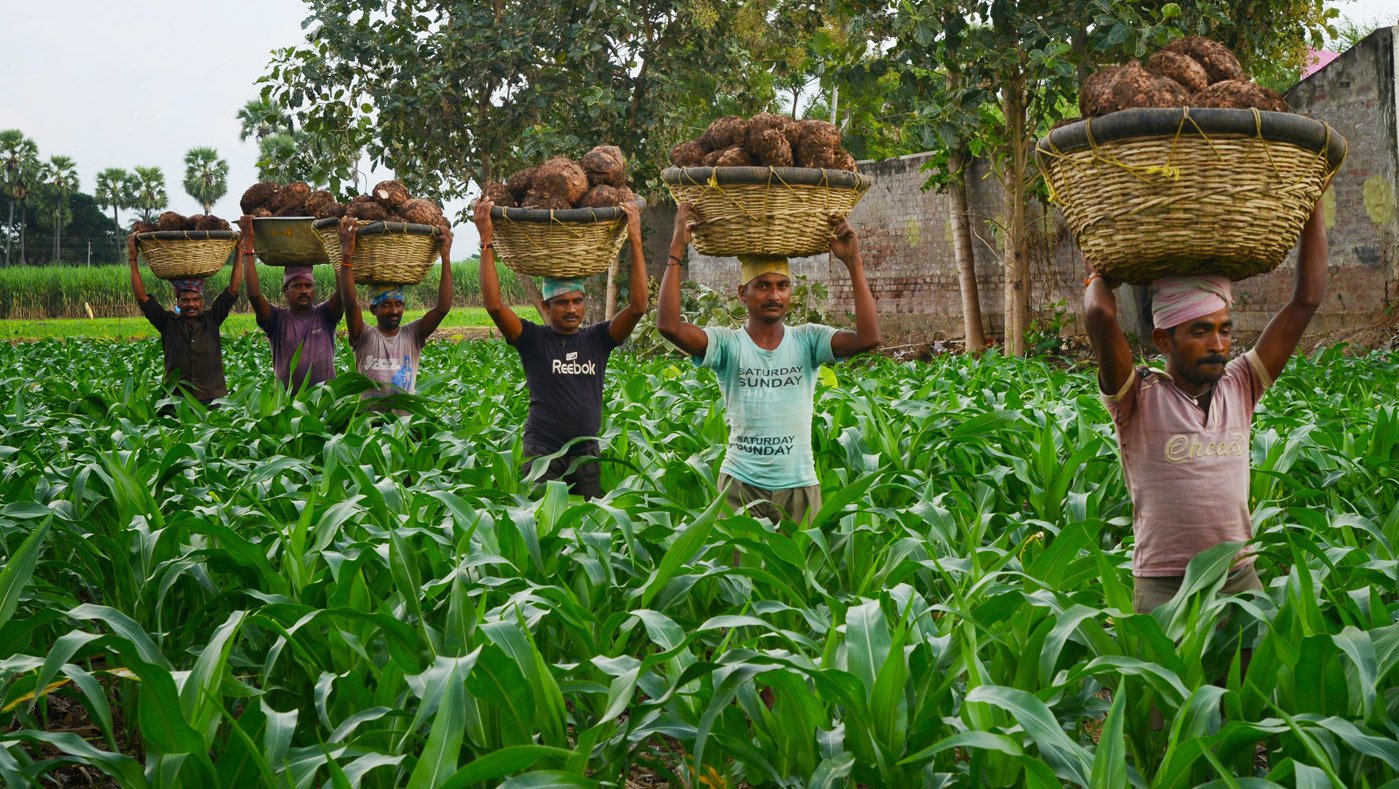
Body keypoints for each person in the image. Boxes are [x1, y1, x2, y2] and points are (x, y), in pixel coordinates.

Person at [1083, 202, 1328, 615]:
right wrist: (1099, 270)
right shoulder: (1137, 397)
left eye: (1224, 330)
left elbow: (1306, 300)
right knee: (1166, 681)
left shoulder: (1241, 384)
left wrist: (1313, 203)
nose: (1217, 344)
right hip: (1164, 584)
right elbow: (1100, 314)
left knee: (1252, 678)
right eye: (1200, 331)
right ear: (1164, 341)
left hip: (1239, 575)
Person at [656, 203, 881, 525]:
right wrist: (677, 246)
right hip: (738, 487)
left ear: (791, 292)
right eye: (762, 286)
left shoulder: (808, 341)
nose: (774, 295)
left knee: (797, 573)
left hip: (799, 484)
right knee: (736, 574)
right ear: (742, 294)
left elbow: (868, 338)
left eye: (782, 285)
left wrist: (853, 261)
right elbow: (669, 326)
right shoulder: (727, 345)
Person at [473, 197, 648, 499]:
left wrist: (634, 238)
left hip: (586, 451)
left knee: (590, 527)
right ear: (546, 306)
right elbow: (494, 305)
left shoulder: (598, 339)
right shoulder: (532, 340)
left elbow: (637, 307)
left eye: (577, 301)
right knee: (543, 528)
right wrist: (487, 240)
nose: (571, 309)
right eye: (562, 302)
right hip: (542, 453)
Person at [335, 216, 453, 405]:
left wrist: (445, 257)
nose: (394, 311)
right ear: (373, 309)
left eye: (398, 304)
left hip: (402, 427)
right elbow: (350, 304)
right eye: (386, 305)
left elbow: (443, 308)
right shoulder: (364, 336)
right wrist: (347, 255)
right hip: (370, 428)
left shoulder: (412, 335)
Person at [128, 233, 242, 405]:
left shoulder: (212, 319)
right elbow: (142, 298)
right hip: (176, 399)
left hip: (212, 398)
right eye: (186, 300)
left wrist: (240, 252)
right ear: (178, 302)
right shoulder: (167, 322)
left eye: (195, 300)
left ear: (202, 301)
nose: (191, 304)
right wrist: (133, 259)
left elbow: (232, 290)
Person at [239, 217, 343, 392]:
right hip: (288, 404)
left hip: (325, 402)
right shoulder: (276, 320)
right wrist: (248, 244)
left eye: (308, 286)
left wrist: (338, 250)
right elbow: (254, 294)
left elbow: (342, 293)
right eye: (297, 286)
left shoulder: (325, 315)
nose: (304, 291)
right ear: (285, 290)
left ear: (314, 289)